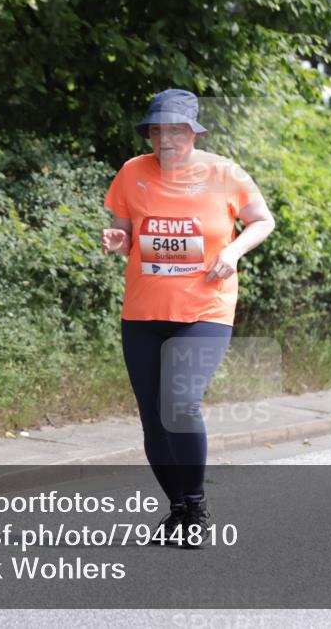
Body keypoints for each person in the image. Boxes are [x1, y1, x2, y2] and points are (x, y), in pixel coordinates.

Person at [100, 89, 275, 549]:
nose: (165, 139)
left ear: (194, 133)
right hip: (142, 312)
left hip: (205, 310)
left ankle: (196, 506)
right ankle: (177, 508)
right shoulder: (132, 173)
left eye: (176, 129)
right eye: (157, 130)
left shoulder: (224, 173)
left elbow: (262, 221)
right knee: (153, 421)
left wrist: (234, 252)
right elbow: (127, 234)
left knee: (180, 404)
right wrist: (117, 239)